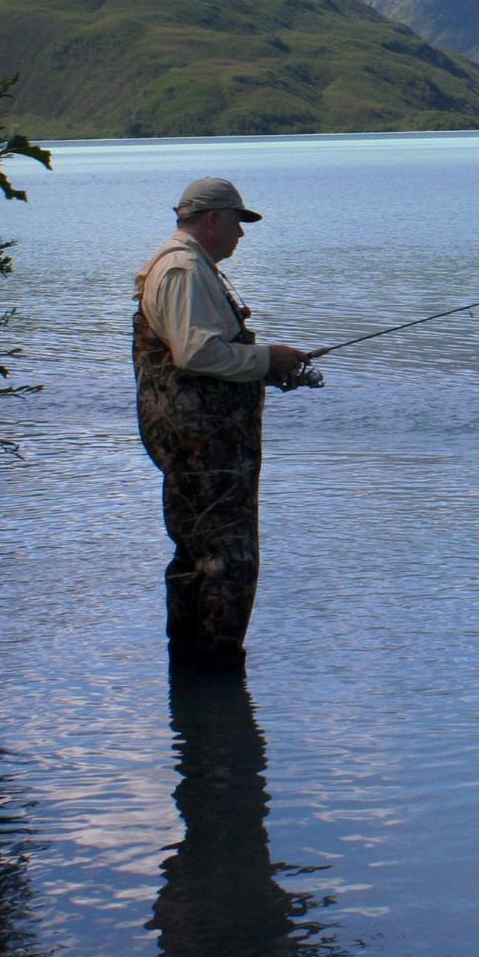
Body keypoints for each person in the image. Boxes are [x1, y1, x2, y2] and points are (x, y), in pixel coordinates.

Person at [133, 178, 312, 660]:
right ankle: (214, 675)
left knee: (198, 555)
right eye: (238, 222)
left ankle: (193, 683)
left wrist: (267, 367)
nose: (242, 234)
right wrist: (265, 359)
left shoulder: (185, 266)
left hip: (198, 443)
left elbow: (199, 355)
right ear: (213, 218)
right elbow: (196, 353)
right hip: (202, 446)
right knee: (227, 560)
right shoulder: (184, 269)